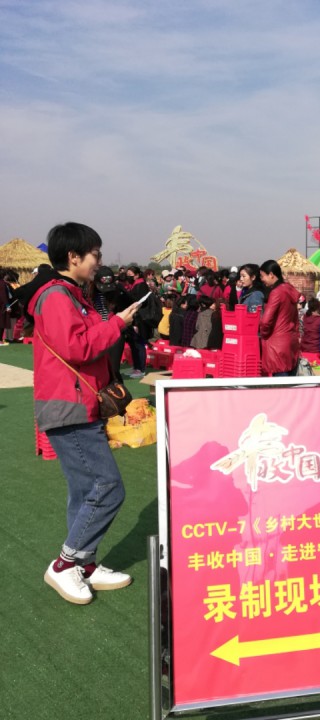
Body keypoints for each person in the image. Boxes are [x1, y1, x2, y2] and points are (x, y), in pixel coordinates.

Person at [18, 222, 140, 605]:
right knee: (108, 487)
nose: (99, 261)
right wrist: (117, 323)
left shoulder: (69, 294)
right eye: (95, 254)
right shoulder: (57, 296)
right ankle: (65, 563)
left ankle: (84, 564)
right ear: (73, 256)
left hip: (75, 403)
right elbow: (77, 348)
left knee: (85, 490)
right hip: (68, 407)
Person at [258, 260, 300, 376]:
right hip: (290, 341)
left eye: (262, 276)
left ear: (271, 274)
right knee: (290, 381)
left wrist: (264, 334)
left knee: (281, 381)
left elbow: (265, 321)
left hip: (277, 345)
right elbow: (295, 319)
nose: (261, 279)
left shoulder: (276, 293)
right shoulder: (289, 290)